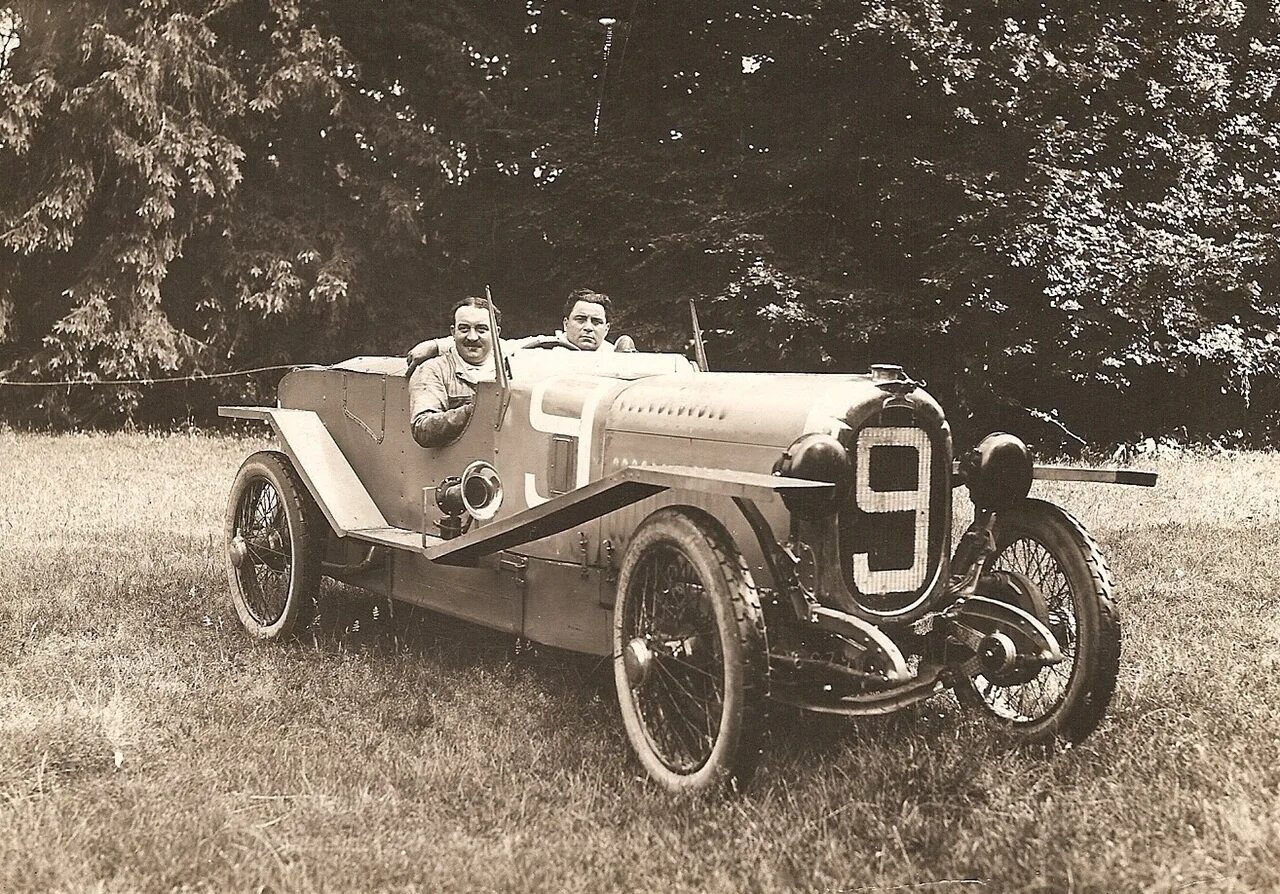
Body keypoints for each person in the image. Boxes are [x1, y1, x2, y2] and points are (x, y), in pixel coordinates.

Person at [405, 288, 631, 374]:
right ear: (565, 323)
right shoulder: (546, 348)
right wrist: (434, 345)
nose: (588, 327)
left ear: (607, 328)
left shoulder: (617, 357)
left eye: (596, 322)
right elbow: (493, 343)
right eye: (580, 319)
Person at [408, 296, 499, 448]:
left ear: (496, 333)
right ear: (453, 332)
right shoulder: (433, 370)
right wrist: (475, 409)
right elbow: (422, 428)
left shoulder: (513, 365)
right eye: (463, 329)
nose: (472, 337)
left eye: (481, 329)